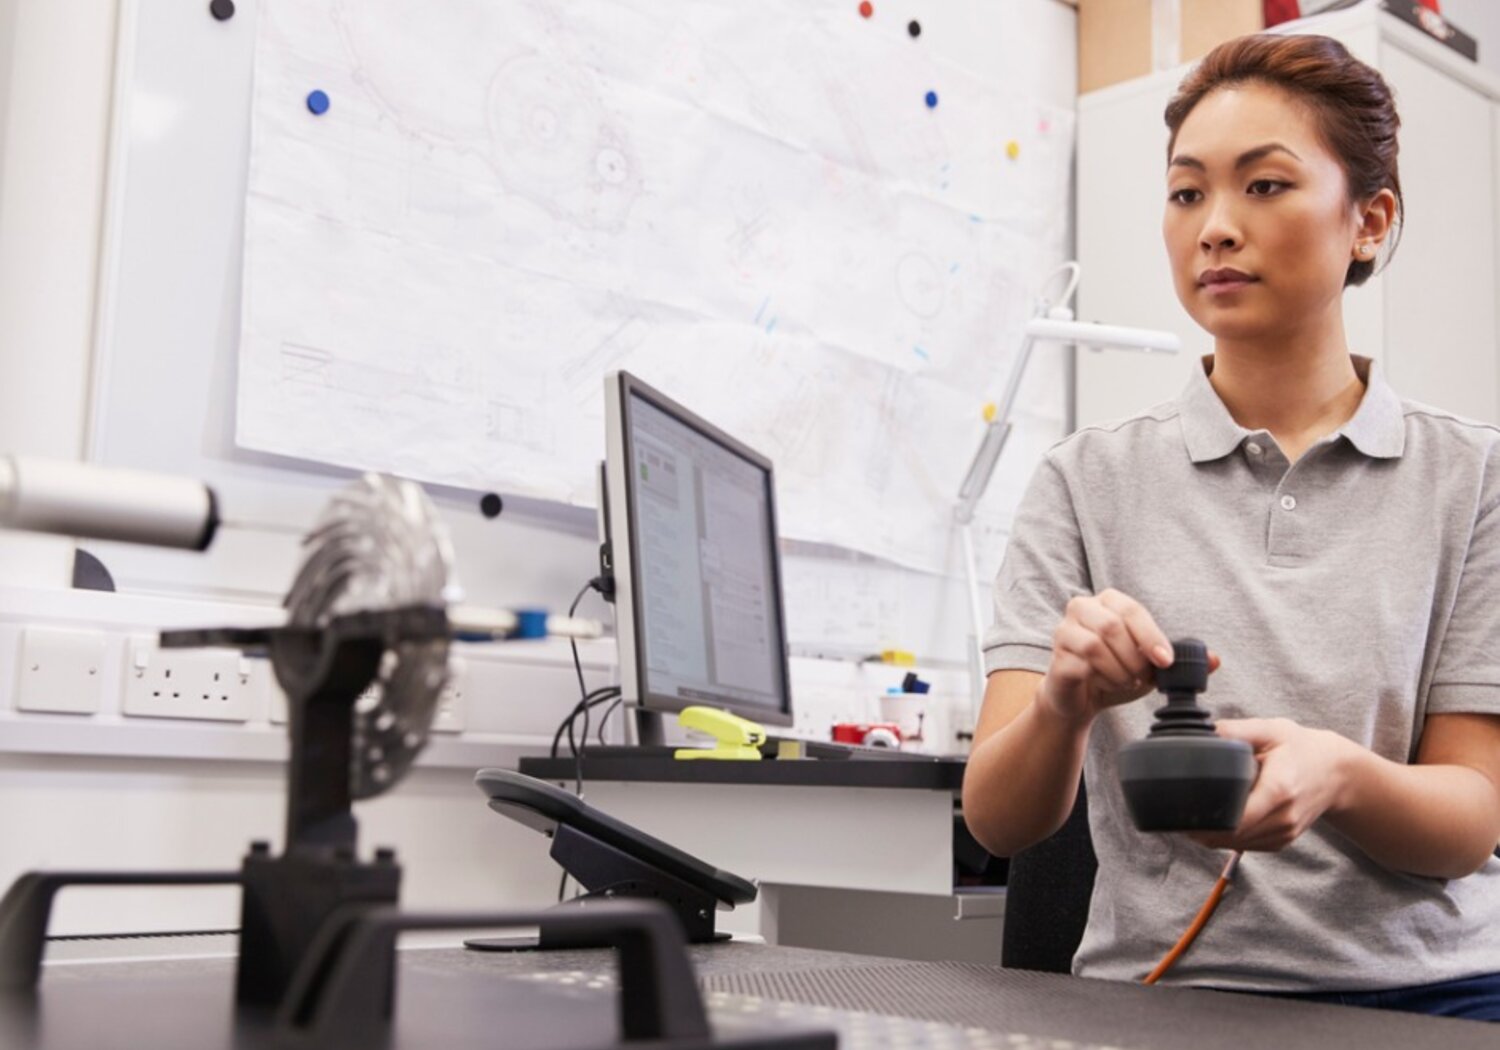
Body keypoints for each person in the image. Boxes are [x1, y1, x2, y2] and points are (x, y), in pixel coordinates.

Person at [962, 33, 1500, 1020]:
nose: (1215, 228)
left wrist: (1340, 774)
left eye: (1264, 187)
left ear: (1369, 221)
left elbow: (1471, 819)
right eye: (1186, 194)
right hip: (1165, 999)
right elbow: (998, 818)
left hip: (1433, 996)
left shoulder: (1474, 479)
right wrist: (1063, 705)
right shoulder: (1084, 481)